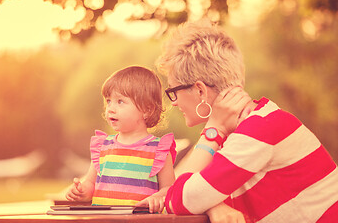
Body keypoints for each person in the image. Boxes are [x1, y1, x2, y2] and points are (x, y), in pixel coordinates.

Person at [156, 20, 338, 222]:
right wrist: (214, 205)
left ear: (200, 90)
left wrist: (213, 129)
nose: (173, 103)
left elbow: (180, 198)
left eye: (173, 91)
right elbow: (174, 192)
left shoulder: (259, 129)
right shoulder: (236, 133)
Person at [65, 66, 176, 214]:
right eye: (109, 101)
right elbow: (90, 182)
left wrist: (158, 197)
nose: (110, 108)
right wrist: (82, 190)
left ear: (147, 110)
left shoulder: (158, 150)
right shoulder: (102, 146)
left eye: (120, 102)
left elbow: (169, 189)